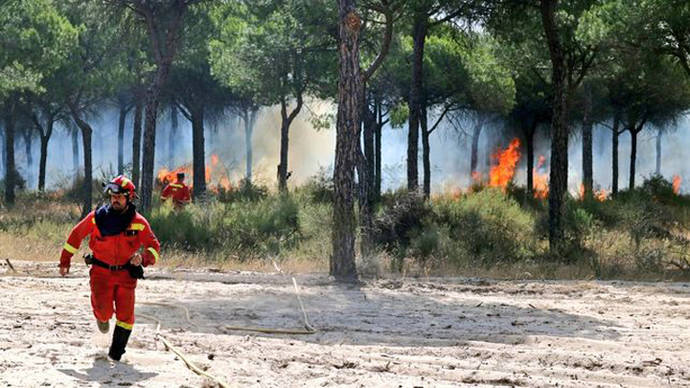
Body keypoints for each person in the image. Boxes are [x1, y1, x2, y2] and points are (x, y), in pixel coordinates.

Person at [59, 175, 160, 361]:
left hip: (126, 276)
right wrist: (65, 260)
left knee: (126, 316)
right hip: (101, 274)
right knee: (104, 311)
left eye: (120, 196)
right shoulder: (97, 218)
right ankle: (102, 318)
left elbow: (154, 247)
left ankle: (116, 354)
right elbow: (76, 235)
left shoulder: (139, 222)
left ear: (129, 198)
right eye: (113, 196)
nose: (115, 199)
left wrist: (143, 258)